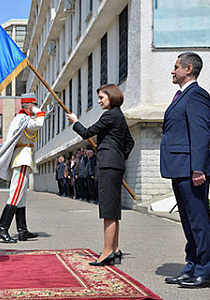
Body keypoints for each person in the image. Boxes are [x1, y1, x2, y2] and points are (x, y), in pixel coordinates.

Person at [160, 52, 210, 288]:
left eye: (176, 67)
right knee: (188, 222)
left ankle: (206, 272)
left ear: (189, 69)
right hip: (179, 168)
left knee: (198, 222)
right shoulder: (181, 95)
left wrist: (197, 169)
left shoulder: (197, 95)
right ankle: (192, 266)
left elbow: (201, 133)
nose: (173, 71)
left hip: (191, 170)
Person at [66, 83, 134, 267]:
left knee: (108, 210)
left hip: (108, 166)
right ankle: (116, 248)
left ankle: (107, 252)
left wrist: (74, 121)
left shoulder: (110, 115)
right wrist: (119, 156)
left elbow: (87, 133)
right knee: (113, 209)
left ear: (111, 96)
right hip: (115, 165)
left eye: (102, 97)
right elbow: (130, 142)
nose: (99, 101)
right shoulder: (119, 116)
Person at [0, 92, 45, 243]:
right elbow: (39, 124)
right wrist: (39, 112)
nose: (36, 107)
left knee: (21, 197)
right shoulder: (23, 118)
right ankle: (2, 229)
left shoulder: (23, 118)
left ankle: (22, 230)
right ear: (30, 105)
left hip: (24, 157)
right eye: (34, 105)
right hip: (21, 158)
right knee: (15, 195)